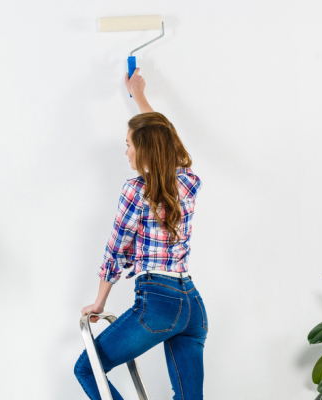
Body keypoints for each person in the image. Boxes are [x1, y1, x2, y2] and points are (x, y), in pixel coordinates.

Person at [74, 69, 207, 400]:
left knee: (86, 368)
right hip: (192, 305)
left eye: (129, 145)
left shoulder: (136, 191)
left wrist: (100, 301)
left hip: (158, 302)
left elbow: (115, 249)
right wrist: (138, 96)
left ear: (144, 150)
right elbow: (167, 138)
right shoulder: (187, 183)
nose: (126, 152)